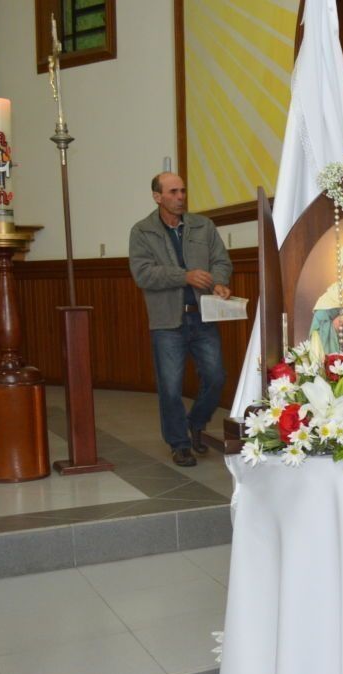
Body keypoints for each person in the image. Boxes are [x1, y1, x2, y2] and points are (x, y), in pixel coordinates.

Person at [128, 172, 232, 467]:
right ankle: (180, 443)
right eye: (173, 192)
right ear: (157, 197)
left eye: (183, 191)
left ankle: (196, 423)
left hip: (204, 317)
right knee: (171, 386)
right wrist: (183, 276)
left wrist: (219, 282)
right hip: (167, 322)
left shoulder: (204, 226)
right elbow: (143, 273)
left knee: (216, 377)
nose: (180, 197)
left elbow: (221, 261)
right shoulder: (142, 231)